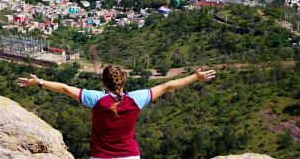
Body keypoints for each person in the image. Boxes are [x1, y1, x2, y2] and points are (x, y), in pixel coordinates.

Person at [17, 64, 216, 159]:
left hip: (101, 156)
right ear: (124, 81)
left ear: (103, 82)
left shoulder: (96, 99)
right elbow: (167, 86)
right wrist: (195, 77)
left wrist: (40, 82)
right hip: (130, 156)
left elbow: (64, 88)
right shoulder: (135, 99)